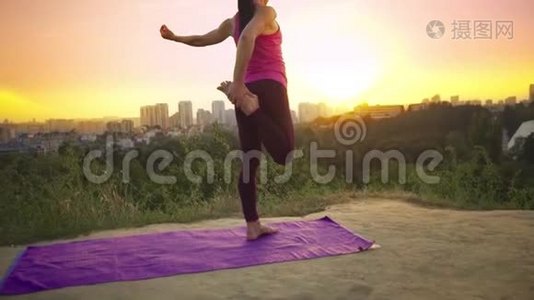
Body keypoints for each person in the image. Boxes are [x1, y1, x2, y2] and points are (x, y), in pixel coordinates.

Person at [160, 0, 294, 240]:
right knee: (284, 153)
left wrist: (175, 38)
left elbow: (202, 39)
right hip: (270, 87)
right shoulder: (266, 12)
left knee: (249, 160)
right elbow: (246, 39)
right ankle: (254, 110)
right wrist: (237, 83)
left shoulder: (232, 22)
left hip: (246, 89)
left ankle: (252, 225)